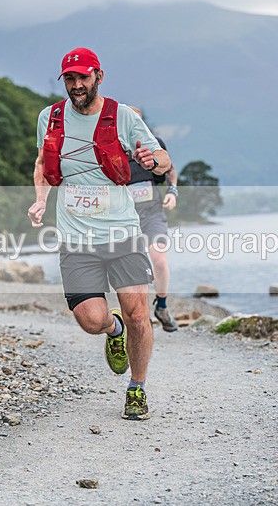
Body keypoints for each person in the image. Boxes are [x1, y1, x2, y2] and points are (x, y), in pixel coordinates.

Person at [27, 47, 171, 420]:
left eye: (83, 77)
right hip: (76, 237)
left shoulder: (122, 117)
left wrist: (151, 160)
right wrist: (41, 200)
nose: (77, 85)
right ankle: (113, 328)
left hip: (122, 233)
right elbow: (43, 163)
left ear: (98, 76)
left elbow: (164, 160)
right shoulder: (50, 117)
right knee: (91, 320)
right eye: (70, 79)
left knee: (139, 314)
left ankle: (137, 388)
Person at [127, 107, 179, 332]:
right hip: (125, 218)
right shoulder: (114, 149)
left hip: (152, 213)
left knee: (158, 258)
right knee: (133, 268)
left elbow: (171, 171)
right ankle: (140, 315)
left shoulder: (155, 143)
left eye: (137, 121)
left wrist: (172, 192)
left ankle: (162, 305)